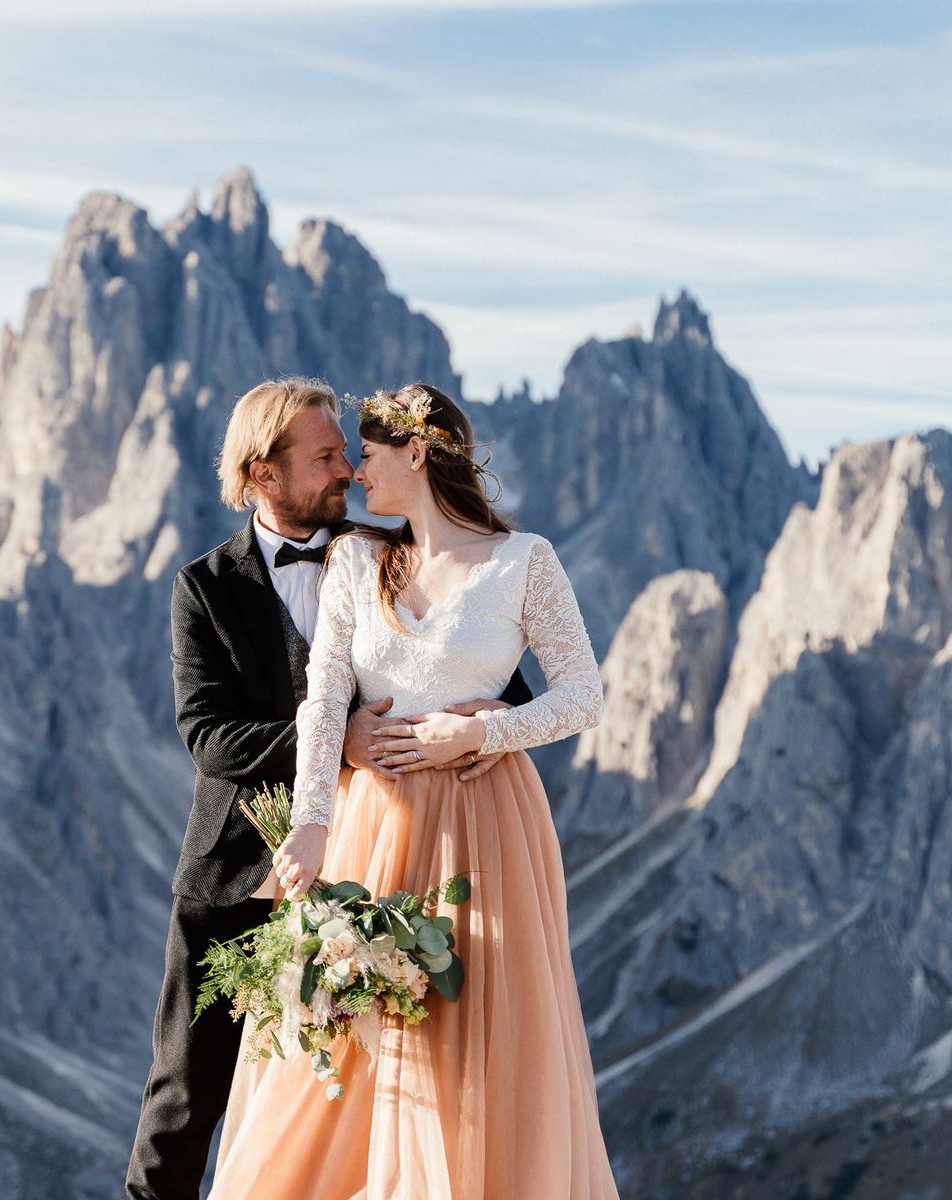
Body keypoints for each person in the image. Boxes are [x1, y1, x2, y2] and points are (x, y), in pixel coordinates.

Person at [207, 383, 621, 1199]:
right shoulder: (355, 560)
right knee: (352, 1044)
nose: (357, 473)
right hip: (375, 824)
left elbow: (583, 696)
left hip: (487, 824)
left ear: (419, 453)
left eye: (369, 454)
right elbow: (324, 698)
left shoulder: (523, 561)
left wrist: (484, 732)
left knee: (471, 1039)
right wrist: (315, 823)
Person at [124, 377, 532, 1200]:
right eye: (325, 456)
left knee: (365, 1104)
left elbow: (500, 678)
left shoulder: (393, 556)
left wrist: (489, 716)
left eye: (348, 451)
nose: (347, 468)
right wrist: (337, 742)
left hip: (379, 871)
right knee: (185, 1098)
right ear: (263, 475)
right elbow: (207, 737)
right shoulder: (204, 587)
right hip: (238, 873)